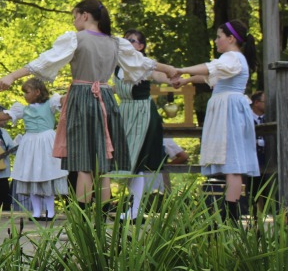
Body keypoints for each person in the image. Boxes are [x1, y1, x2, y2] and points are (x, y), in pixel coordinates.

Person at [0, 0, 176, 212]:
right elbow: (142, 63)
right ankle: (103, 216)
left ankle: (83, 219)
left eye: (75, 16)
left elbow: (44, 62)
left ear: (84, 15)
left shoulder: (76, 40)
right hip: (107, 99)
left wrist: (11, 76)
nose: (74, 21)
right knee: (103, 165)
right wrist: (170, 69)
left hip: (82, 99)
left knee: (84, 165)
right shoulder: (116, 42)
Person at [172, 20, 259, 222]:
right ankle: (230, 211)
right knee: (230, 162)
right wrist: (186, 80)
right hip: (226, 108)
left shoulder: (233, 57)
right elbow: (209, 76)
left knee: (233, 163)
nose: (216, 40)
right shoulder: (230, 60)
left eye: (219, 36)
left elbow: (211, 68)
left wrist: (182, 69)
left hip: (230, 110)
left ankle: (232, 212)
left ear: (230, 39)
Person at [0, 78, 68, 221]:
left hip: (46, 142)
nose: (24, 95)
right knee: (31, 174)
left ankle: (50, 211)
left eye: (27, 92)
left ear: (37, 92)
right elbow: (5, 114)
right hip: (30, 142)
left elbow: (63, 101)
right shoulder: (22, 109)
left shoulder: (50, 104)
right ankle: (36, 211)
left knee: (47, 173)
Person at [114, 29, 170, 220]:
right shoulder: (117, 66)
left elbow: (159, 75)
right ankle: (132, 206)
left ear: (141, 46)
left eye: (132, 41)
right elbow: (117, 87)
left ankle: (135, 209)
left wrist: (174, 77)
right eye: (126, 40)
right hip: (125, 113)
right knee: (126, 162)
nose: (128, 43)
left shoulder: (143, 65)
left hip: (141, 113)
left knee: (136, 160)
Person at [248, 91, 273, 215]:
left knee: (270, 191)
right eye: (265, 102)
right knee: (252, 192)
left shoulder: (269, 118)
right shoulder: (246, 118)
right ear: (257, 103)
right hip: (250, 160)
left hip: (268, 160)